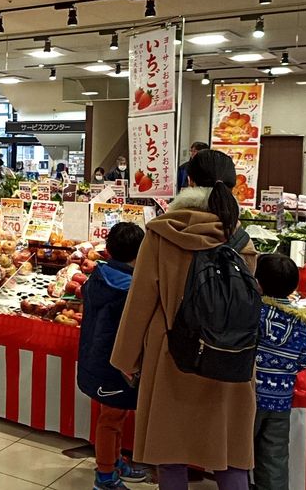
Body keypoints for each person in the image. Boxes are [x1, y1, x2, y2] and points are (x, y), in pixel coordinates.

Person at [110, 149, 258, 490]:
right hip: (231, 357)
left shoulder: (163, 234)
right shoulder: (241, 240)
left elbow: (141, 301)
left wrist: (126, 356)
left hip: (172, 354)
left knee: (169, 450)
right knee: (231, 452)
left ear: (188, 181)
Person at [77, 222, 150, 489]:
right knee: (111, 419)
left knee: (113, 416)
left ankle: (115, 460)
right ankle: (105, 476)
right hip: (114, 366)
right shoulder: (130, 290)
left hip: (94, 360)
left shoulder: (98, 275)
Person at [253, 254, 306, 490]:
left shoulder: (253, 314)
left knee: (238, 451)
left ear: (258, 282)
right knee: (275, 456)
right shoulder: (301, 324)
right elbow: (304, 361)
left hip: (250, 397)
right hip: (280, 401)